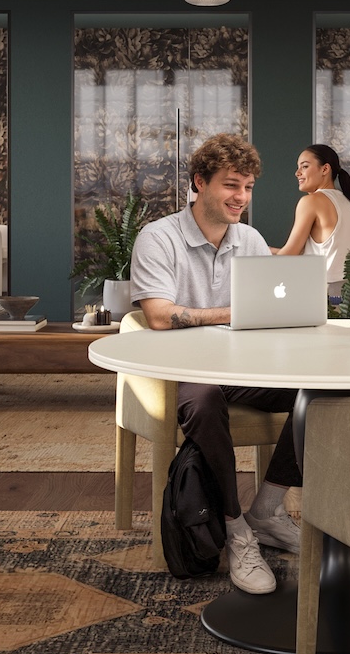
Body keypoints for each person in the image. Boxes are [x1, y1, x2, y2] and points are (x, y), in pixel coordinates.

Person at [129, 133, 302, 595]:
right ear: (199, 183)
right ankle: (235, 528)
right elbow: (160, 318)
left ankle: (267, 510)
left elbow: (269, 311)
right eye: (231, 185)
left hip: (245, 370)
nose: (241, 198)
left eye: (247, 188)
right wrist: (238, 312)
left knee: (330, 388)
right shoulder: (158, 238)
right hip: (184, 374)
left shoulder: (250, 239)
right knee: (204, 401)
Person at [275, 143, 350, 289]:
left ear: (325, 169)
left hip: (328, 297)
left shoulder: (311, 201)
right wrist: (267, 250)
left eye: (304, 166)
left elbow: (289, 255)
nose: (297, 173)